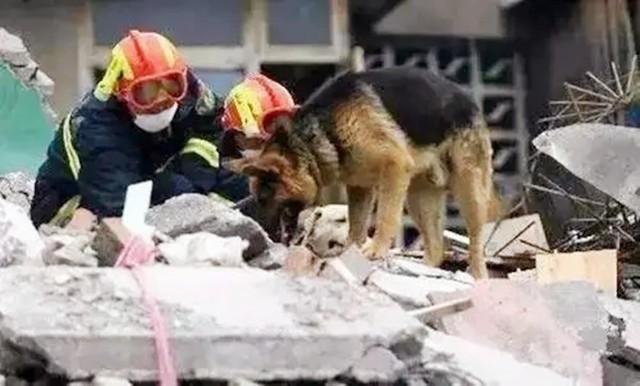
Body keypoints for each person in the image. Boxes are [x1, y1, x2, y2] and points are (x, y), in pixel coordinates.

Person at [29, 30, 249, 230]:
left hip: (151, 171)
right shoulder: (95, 128)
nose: (163, 99)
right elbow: (117, 203)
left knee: (239, 184)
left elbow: (212, 123)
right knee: (167, 195)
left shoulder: (190, 90)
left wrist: (194, 175)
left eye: (171, 84)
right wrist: (183, 191)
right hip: (74, 198)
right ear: (121, 92)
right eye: (147, 91)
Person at [219, 73, 298, 159]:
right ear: (237, 137)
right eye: (259, 142)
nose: (270, 150)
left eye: (278, 140)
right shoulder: (210, 167)